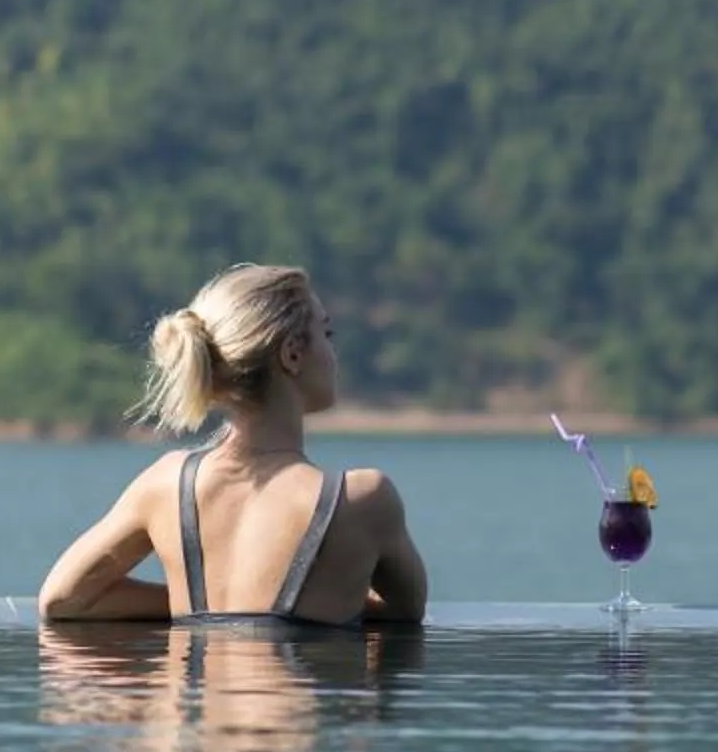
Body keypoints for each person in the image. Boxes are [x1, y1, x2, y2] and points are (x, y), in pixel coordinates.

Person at [37, 263, 431, 627]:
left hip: (196, 704)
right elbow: (406, 611)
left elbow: (62, 599)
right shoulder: (363, 499)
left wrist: (194, 606)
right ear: (292, 353)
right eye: (326, 334)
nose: (332, 352)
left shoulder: (166, 485)